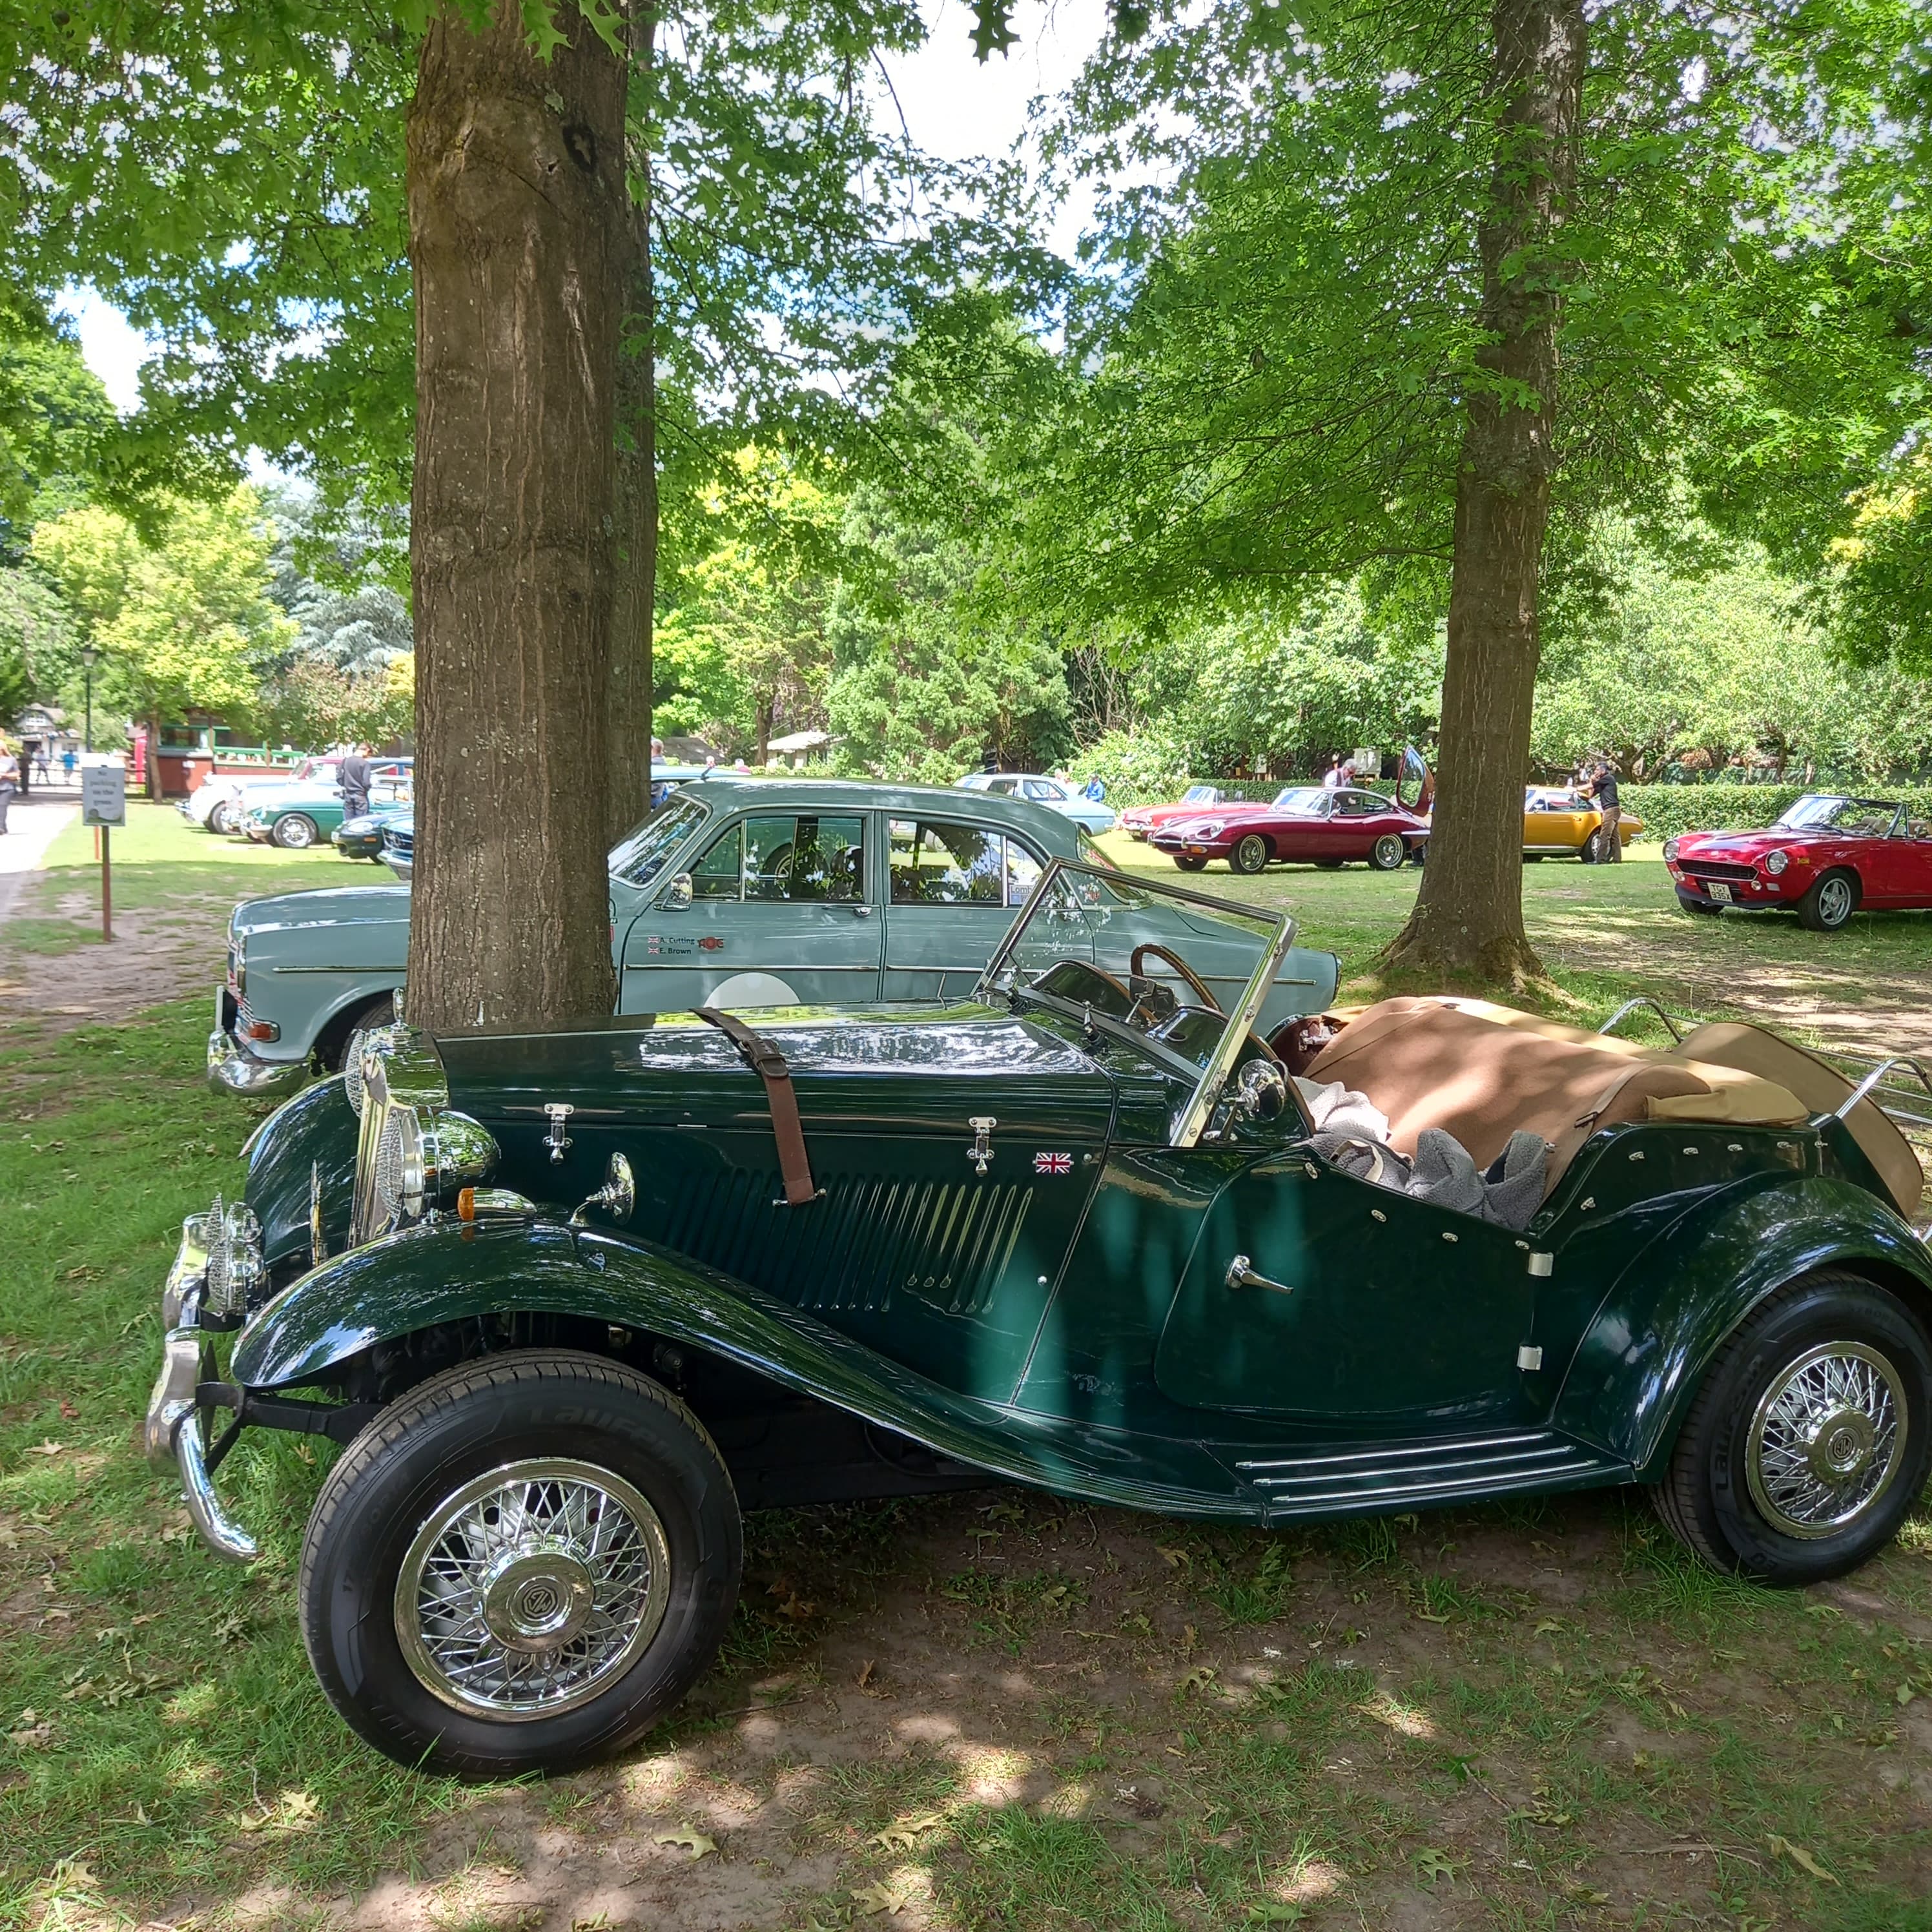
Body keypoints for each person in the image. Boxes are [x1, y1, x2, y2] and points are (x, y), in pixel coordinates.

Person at [1586, 759, 1622, 861]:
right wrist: (1590, 781)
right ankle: (1617, 859)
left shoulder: (1607, 778)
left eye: (1597, 770)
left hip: (1611, 810)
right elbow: (1590, 794)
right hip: (1612, 810)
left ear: (1603, 770)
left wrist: (1577, 789)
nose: (1595, 772)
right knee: (1615, 836)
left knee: (1604, 834)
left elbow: (1591, 786)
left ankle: (1600, 859)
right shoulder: (1602, 783)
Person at [338, 741, 373, 821]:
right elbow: (366, 782)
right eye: (368, 754)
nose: (367, 757)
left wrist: (345, 784)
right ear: (367, 750)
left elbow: (339, 777)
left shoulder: (345, 761)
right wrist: (368, 788)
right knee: (360, 823)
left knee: (348, 823)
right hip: (360, 796)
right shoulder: (365, 764)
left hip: (348, 795)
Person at [0, 741, 17, 834]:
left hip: (6, 788)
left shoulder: (10, 760)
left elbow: (16, 774)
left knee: (2, 807)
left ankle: (1, 827)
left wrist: (4, 775)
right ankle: (4, 826)